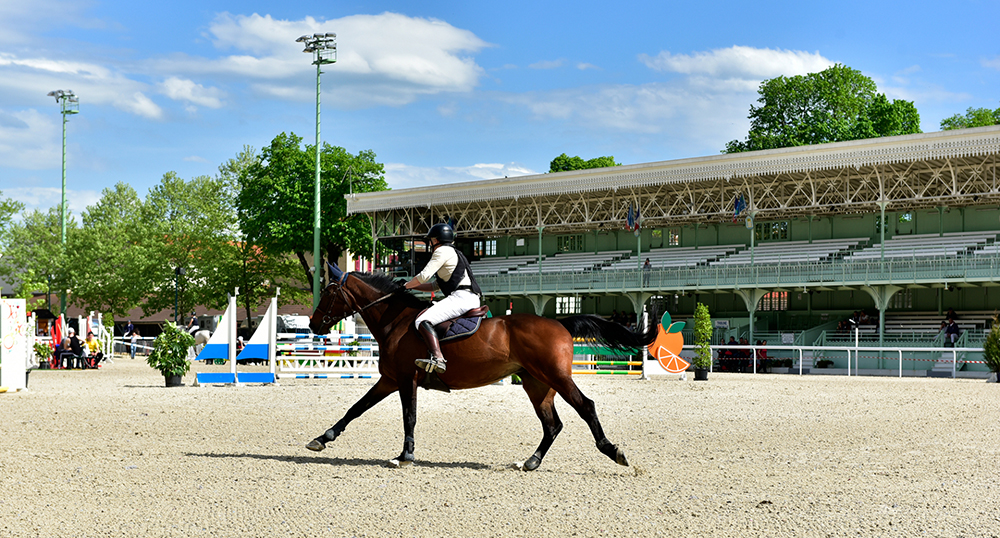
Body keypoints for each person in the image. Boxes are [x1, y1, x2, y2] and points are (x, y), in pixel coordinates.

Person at [404, 223, 482, 374]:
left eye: (431, 240)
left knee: (421, 320)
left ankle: (438, 357)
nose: (431, 244)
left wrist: (406, 286)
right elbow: (434, 286)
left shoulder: (441, 252)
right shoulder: (453, 252)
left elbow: (423, 276)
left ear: (436, 240)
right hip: (469, 297)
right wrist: (412, 287)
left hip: (461, 298)